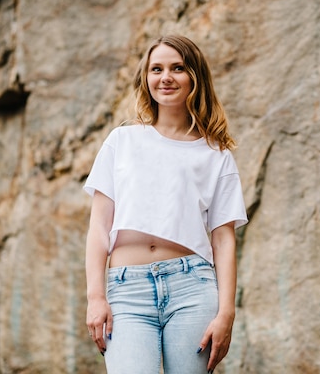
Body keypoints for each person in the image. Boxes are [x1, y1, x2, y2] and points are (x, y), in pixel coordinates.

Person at [83, 35, 248, 374]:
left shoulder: (216, 155)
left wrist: (226, 313)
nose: (166, 77)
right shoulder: (122, 141)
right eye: (156, 69)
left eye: (178, 68)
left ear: (194, 78)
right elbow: (99, 227)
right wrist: (96, 296)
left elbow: (223, 238)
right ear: (146, 78)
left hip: (193, 288)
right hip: (127, 290)